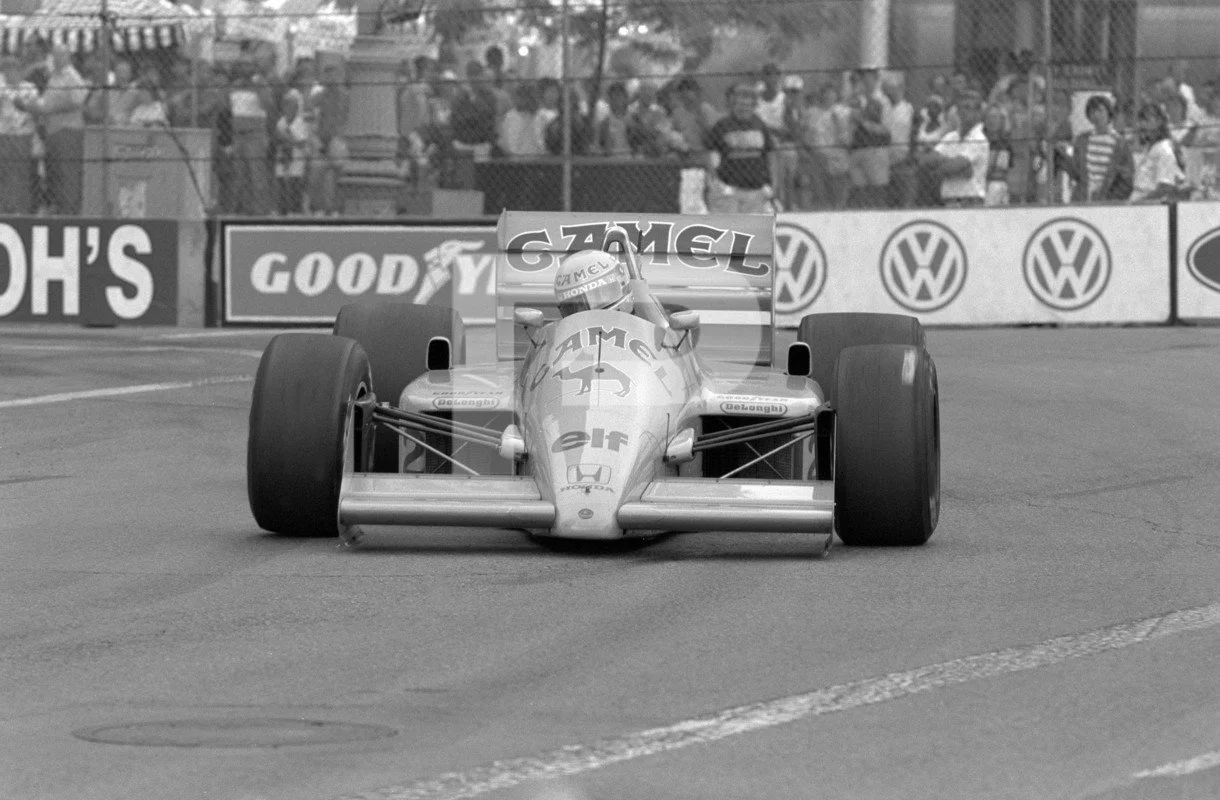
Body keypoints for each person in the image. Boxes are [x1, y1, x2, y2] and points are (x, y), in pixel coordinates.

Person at [703, 81, 776, 214]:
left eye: (747, 105)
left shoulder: (760, 125)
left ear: (754, 106)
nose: (743, 108)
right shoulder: (722, 126)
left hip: (756, 189)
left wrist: (771, 182)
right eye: (739, 104)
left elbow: (769, 154)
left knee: (751, 231)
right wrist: (716, 182)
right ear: (733, 105)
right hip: (730, 189)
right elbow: (709, 153)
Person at [38, 46, 88, 215]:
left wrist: (51, 109)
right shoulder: (54, 77)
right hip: (53, 131)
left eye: (61, 55)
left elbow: (78, 100)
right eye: (55, 55)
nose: (58, 58)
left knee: (68, 175)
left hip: (68, 131)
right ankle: (60, 210)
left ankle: (70, 213)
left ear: (68, 57)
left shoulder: (71, 76)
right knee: (57, 175)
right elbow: (45, 103)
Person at [1056, 94, 1133, 203]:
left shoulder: (1120, 143)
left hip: (1108, 199)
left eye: (1100, 111)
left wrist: (1112, 197)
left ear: (1109, 113)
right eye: (1092, 112)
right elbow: (1076, 172)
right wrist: (1065, 156)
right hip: (1083, 197)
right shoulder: (1082, 140)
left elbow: (1127, 177)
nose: (1096, 115)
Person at [919, 89, 988, 206]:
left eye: (968, 107)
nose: (963, 112)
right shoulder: (950, 137)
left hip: (970, 201)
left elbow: (952, 167)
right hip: (949, 200)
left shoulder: (979, 139)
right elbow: (925, 160)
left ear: (978, 113)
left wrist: (942, 165)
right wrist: (958, 167)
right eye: (960, 108)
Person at [0, 56, 38, 214]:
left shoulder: (29, 88)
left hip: (23, 137)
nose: (10, 74)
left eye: (13, 70)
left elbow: (34, 110)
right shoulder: (1, 88)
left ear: (20, 72)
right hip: (4, 136)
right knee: (5, 174)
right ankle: (5, 208)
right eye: (6, 70)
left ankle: (21, 209)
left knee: (21, 174)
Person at [1130, 102, 1185, 203]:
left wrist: (1139, 202)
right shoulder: (1149, 148)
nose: (1142, 125)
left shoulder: (1164, 149)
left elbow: (1165, 188)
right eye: (1141, 120)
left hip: (1150, 208)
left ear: (1159, 121)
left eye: (1147, 120)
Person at [554, 250, 633, 317]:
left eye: (603, 293)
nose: (587, 307)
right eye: (578, 305)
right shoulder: (564, 332)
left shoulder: (643, 321)